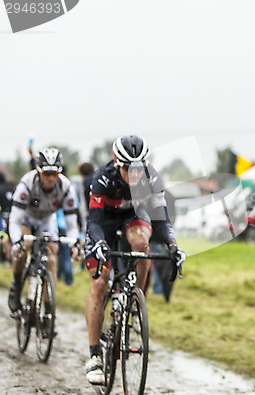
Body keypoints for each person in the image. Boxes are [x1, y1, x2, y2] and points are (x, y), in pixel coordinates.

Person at [84, 135, 186, 385]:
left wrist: (173, 246)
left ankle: (135, 300)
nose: (135, 173)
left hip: (133, 216)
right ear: (118, 164)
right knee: (99, 283)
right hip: (104, 222)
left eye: (138, 167)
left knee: (141, 244)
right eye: (128, 168)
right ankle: (95, 355)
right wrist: (99, 244)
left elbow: (161, 221)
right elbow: (94, 222)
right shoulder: (103, 178)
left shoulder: (152, 179)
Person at [7, 148, 80, 313]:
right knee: (24, 246)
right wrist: (17, 240)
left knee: (51, 260)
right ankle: (17, 285)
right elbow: (15, 220)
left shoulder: (66, 187)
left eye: (54, 174)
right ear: (38, 171)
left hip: (47, 221)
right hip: (26, 219)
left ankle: (49, 310)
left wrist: (74, 244)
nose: (50, 178)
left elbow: (72, 225)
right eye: (46, 173)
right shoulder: (26, 184)